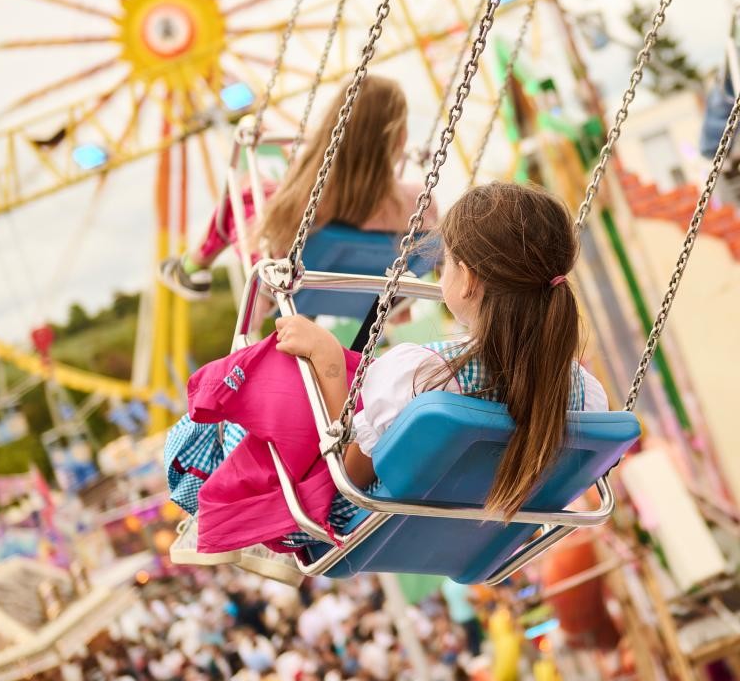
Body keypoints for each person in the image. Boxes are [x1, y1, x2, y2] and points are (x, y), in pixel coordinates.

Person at [169, 181, 607, 565]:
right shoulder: (587, 396)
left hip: (370, 526)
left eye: (447, 263)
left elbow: (350, 478)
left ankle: (236, 520)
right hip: (476, 535)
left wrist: (327, 363)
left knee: (245, 401)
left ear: (468, 281)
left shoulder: (419, 374)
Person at [160, 73, 434, 299]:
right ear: (400, 137)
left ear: (332, 131)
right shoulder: (421, 205)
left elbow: (272, 252)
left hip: (298, 295)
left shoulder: (312, 201)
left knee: (243, 194)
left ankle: (195, 265)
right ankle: (194, 265)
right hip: (375, 304)